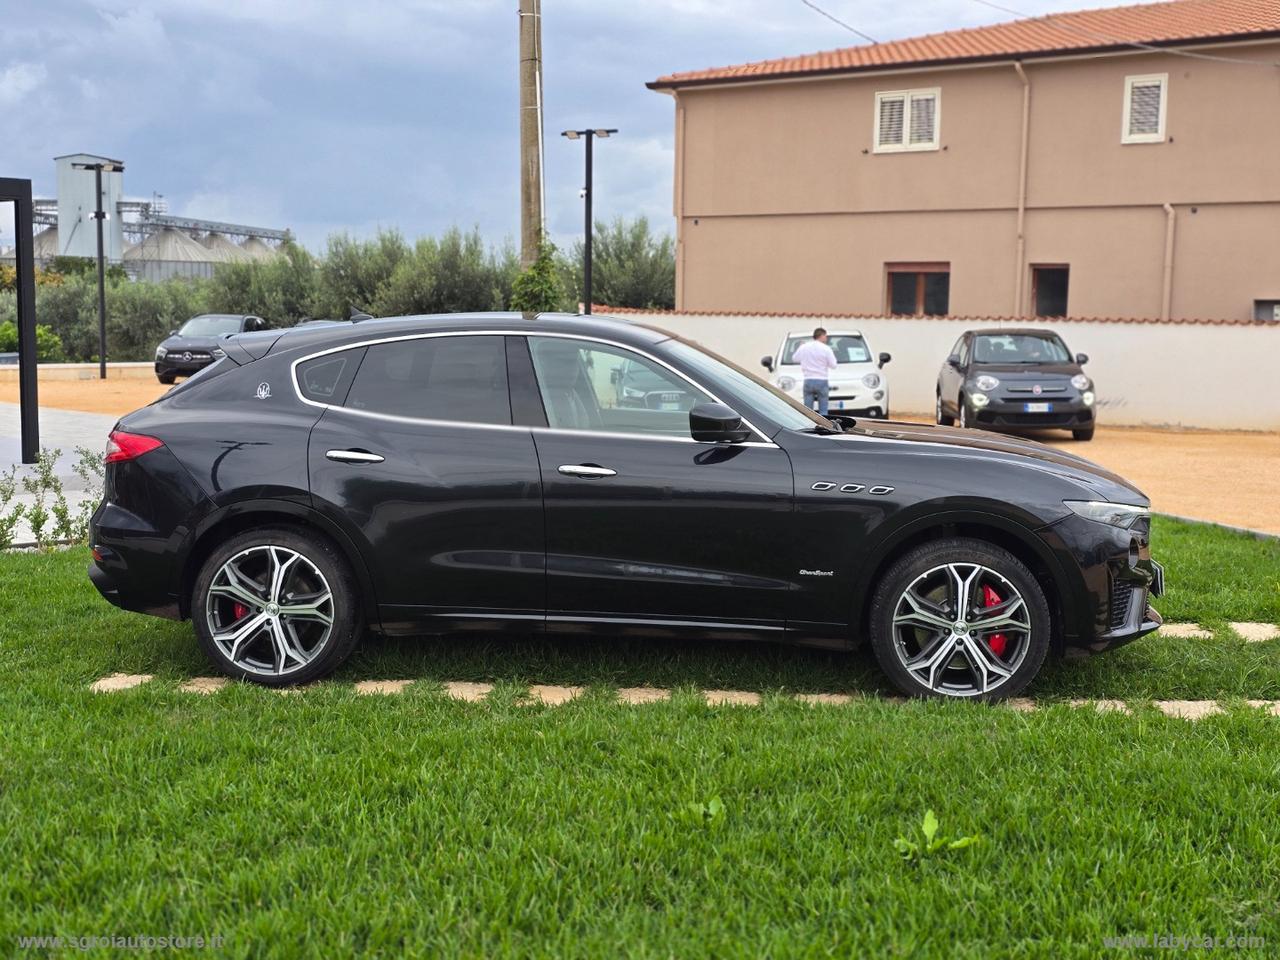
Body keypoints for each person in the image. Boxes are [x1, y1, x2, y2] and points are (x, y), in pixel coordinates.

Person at [792, 327, 838, 416]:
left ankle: (809, 425)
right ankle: (825, 426)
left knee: (808, 411)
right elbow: (833, 365)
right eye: (825, 336)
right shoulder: (826, 348)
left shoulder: (804, 347)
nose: (826, 338)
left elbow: (795, 359)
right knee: (823, 410)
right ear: (821, 335)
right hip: (822, 380)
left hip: (808, 380)